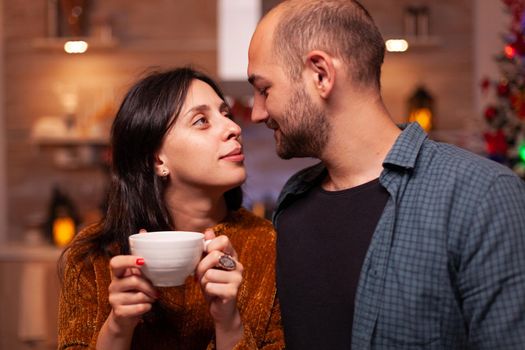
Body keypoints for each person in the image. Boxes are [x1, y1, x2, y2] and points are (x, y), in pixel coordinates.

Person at [247, 0, 525, 349]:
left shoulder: (481, 195)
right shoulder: (292, 202)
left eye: (264, 90)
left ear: (320, 74)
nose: (257, 112)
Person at [57, 67, 284, 350]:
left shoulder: (268, 243)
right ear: (156, 159)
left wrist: (228, 320)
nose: (234, 128)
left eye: (225, 114)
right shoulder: (94, 255)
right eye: (202, 120)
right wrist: (118, 325)